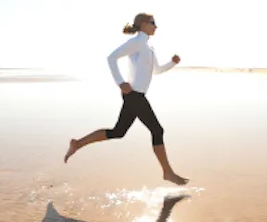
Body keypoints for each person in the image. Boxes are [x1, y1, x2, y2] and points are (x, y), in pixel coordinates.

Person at [64, 13, 189, 186]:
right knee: (157, 130)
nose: (156, 26)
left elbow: (157, 71)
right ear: (143, 24)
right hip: (134, 94)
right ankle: (167, 172)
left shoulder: (147, 47)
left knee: (119, 131)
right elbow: (111, 58)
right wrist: (120, 82)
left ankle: (77, 143)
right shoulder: (136, 42)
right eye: (153, 23)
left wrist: (172, 63)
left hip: (137, 95)